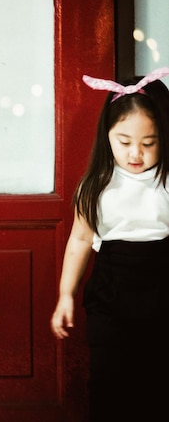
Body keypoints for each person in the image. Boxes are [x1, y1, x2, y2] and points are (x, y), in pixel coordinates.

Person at [50, 66, 169, 422]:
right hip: (111, 297)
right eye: (125, 142)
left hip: (163, 292)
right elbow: (80, 240)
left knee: (158, 384)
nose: (136, 154)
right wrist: (65, 294)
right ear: (107, 136)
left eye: (148, 143)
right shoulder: (96, 186)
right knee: (109, 383)